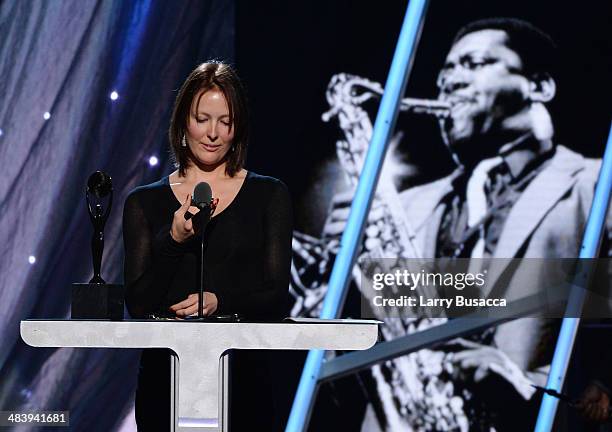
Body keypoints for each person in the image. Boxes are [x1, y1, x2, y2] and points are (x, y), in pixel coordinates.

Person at [322, 18, 611, 430]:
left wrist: (531, 392)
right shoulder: (404, 205)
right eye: (443, 77)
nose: (449, 84)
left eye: (473, 64)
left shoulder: (598, 184)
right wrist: (348, 279)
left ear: (539, 86)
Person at [122, 61, 293, 431]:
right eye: (202, 119)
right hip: (165, 384)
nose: (213, 133)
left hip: (245, 385)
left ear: (237, 128)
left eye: (225, 122)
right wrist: (174, 241)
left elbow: (277, 294)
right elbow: (137, 304)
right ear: (184, 121)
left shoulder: (269, 195)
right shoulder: (143, 203)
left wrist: (221, 302)